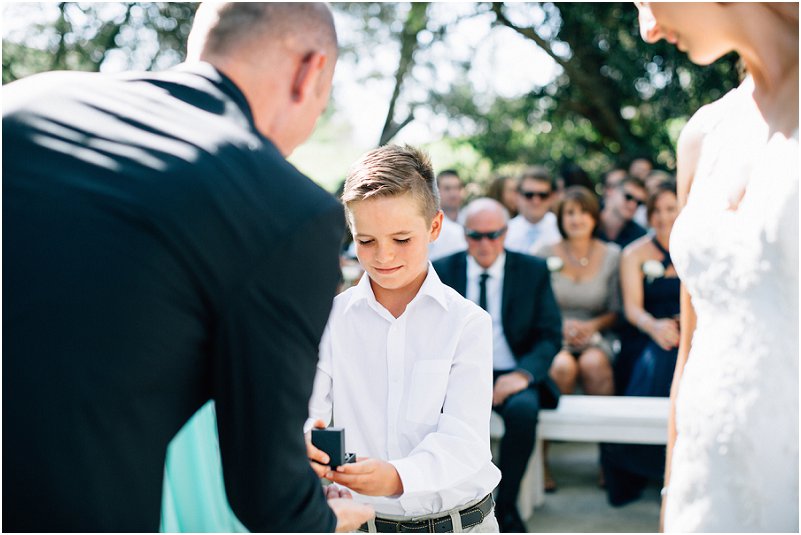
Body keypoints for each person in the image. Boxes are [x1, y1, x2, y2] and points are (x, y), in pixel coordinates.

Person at [3, 2, 374, 532]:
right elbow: (269, 495)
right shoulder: (285, 211)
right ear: (310, 72)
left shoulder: (28, 99)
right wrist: (330, 519)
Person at [638, 2, 798, 532]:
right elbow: (692, 346)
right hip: (705, 486)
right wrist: (672, 495)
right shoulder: (704, 135)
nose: (648, 28)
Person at [305, 145, 502, 533]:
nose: (383, 256)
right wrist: (308, 448)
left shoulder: (467, 323)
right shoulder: (329, 321)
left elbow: (465, 439)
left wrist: (397, 476)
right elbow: (308, 412)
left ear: (434, 227)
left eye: (401, 239)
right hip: (362, 524)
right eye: (366, 241)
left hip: (461, 525)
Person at [433, 198, 562, 533]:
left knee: (523, 413)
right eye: (475, 235)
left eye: (494, 235)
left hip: (512, 371)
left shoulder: (532, 270)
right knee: (433, 415)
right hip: (455, 374)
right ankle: (448, 505)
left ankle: (506, 507)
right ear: (464, 234)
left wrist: (522, 375)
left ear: (506, 233)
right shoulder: (441, 270)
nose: (485, 243)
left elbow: (550, 335)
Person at [534, 186, 621, 491]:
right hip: (554, 332)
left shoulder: (612, 255)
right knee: (561, 368)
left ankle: (608, 460)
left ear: (594, 217)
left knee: (595, 365)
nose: (576, 219)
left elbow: (616, 310)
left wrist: (592, 326)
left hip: (597, 333)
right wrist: (560, 325)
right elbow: (535, 304)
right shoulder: (544, 252)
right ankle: (542, 460)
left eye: (583, 212)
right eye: (570, 213)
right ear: (560, 218)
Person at [601, 181, 680, 507]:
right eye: (656, 210)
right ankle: (641, 462)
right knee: (659, 359)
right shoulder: (634, 253)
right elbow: (632, 309)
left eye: (670, 208)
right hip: (646, 333)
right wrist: (656, 326)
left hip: (690, 332)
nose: (663, 217)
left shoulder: (696, 249)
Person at [505, 166, 562, 255]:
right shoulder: (505, 232)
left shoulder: (563, 229)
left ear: (552, 197)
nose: (536, 201)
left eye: (543, 195)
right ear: (517, 196)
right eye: (529, 195)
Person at [597, 176, 648, 248]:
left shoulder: (640, 237)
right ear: (612, 191)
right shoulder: (588, 221)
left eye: (639, 202)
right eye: (628, 197)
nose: (633, 205)